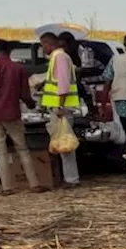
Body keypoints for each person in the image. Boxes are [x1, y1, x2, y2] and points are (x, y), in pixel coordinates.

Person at [0, 39, 42, 195]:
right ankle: (34, 184)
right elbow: (25, 94)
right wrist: (32, 104)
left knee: (0, 151)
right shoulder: (18, 68)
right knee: (22, 148)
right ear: (9, 51)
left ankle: (7, 187)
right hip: (12, 113)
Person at [38, 33, 81, 188]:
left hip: (60, 109)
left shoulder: (60, 58)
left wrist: (61, 107)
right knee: (60, 144)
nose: (43, 49)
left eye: (43, 45)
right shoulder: (57, 58)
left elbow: (63, 85)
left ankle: (71, 179)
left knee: (64, 145)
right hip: (56, 107)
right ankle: (64, 177)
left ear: (49, 43)